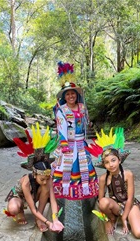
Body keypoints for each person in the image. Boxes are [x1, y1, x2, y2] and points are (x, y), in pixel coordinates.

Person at [51, 62, 99, 200]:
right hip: (69, 144)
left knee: (85, 165)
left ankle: (86, 192)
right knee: (67, 167)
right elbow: (61, 128)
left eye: (73, 93)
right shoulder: (62, 110)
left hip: (81, 143)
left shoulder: (82, 107)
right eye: (68, 94)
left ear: (76, 95)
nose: (71, 96)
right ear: (64, 97)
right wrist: (65, 144)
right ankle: (65, 191)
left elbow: (86, 124)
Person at [98, 148, 140, 238]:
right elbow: (100, 201)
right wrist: (107, 221)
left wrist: (124, 217)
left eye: (113, 160)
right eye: (107, 162)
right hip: (116, 206)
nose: (111, 165)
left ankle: (135, 216)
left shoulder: (128, 174)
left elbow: (130, 198)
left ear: (119, 160)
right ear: (104, 165)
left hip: (130, 204)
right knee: (103, 202)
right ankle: (113, 219)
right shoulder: (103, 179)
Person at [5, 161, 64, 233]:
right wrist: (48, 223)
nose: (45, 181)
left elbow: (53, 200)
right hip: (19, 197)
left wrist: (55, 220)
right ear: (35, 174)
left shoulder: (48, 179)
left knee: (46, 187)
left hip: (34, 195)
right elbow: (33, 209)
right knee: (13, 209)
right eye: (42, 179)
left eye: (47, 179)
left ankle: (39, 218)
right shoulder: (26, 183)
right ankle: (20, 210)